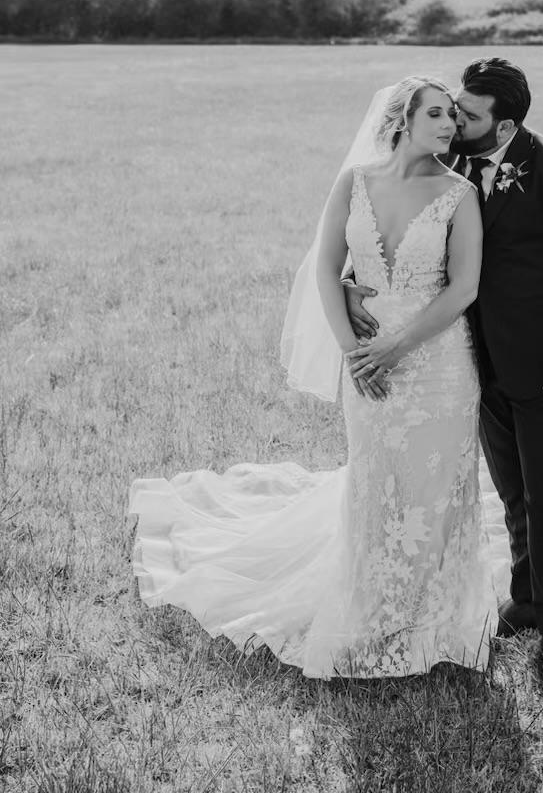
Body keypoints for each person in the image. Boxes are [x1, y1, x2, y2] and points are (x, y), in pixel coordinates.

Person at [128, 76, 497, 678]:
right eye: (438, 114)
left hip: (437, 364)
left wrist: (397, 346)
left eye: (454, 118)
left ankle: (435, 614)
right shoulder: (354, 181)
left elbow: (464, 287)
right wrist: (356, 352)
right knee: (375, 483)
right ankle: (368, 609)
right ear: (403, 118)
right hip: (367, 361)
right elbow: (326, 272)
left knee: (437, 488)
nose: (450, 126)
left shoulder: (459, 194)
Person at [345, 58, 543, 700]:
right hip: (473, 362)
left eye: (468, 114)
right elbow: (413, 241)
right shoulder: (454, 166)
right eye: (452, 110)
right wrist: (359, 286)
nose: (456, 121)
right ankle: (524, 600)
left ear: (507, 123)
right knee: (512, 491)